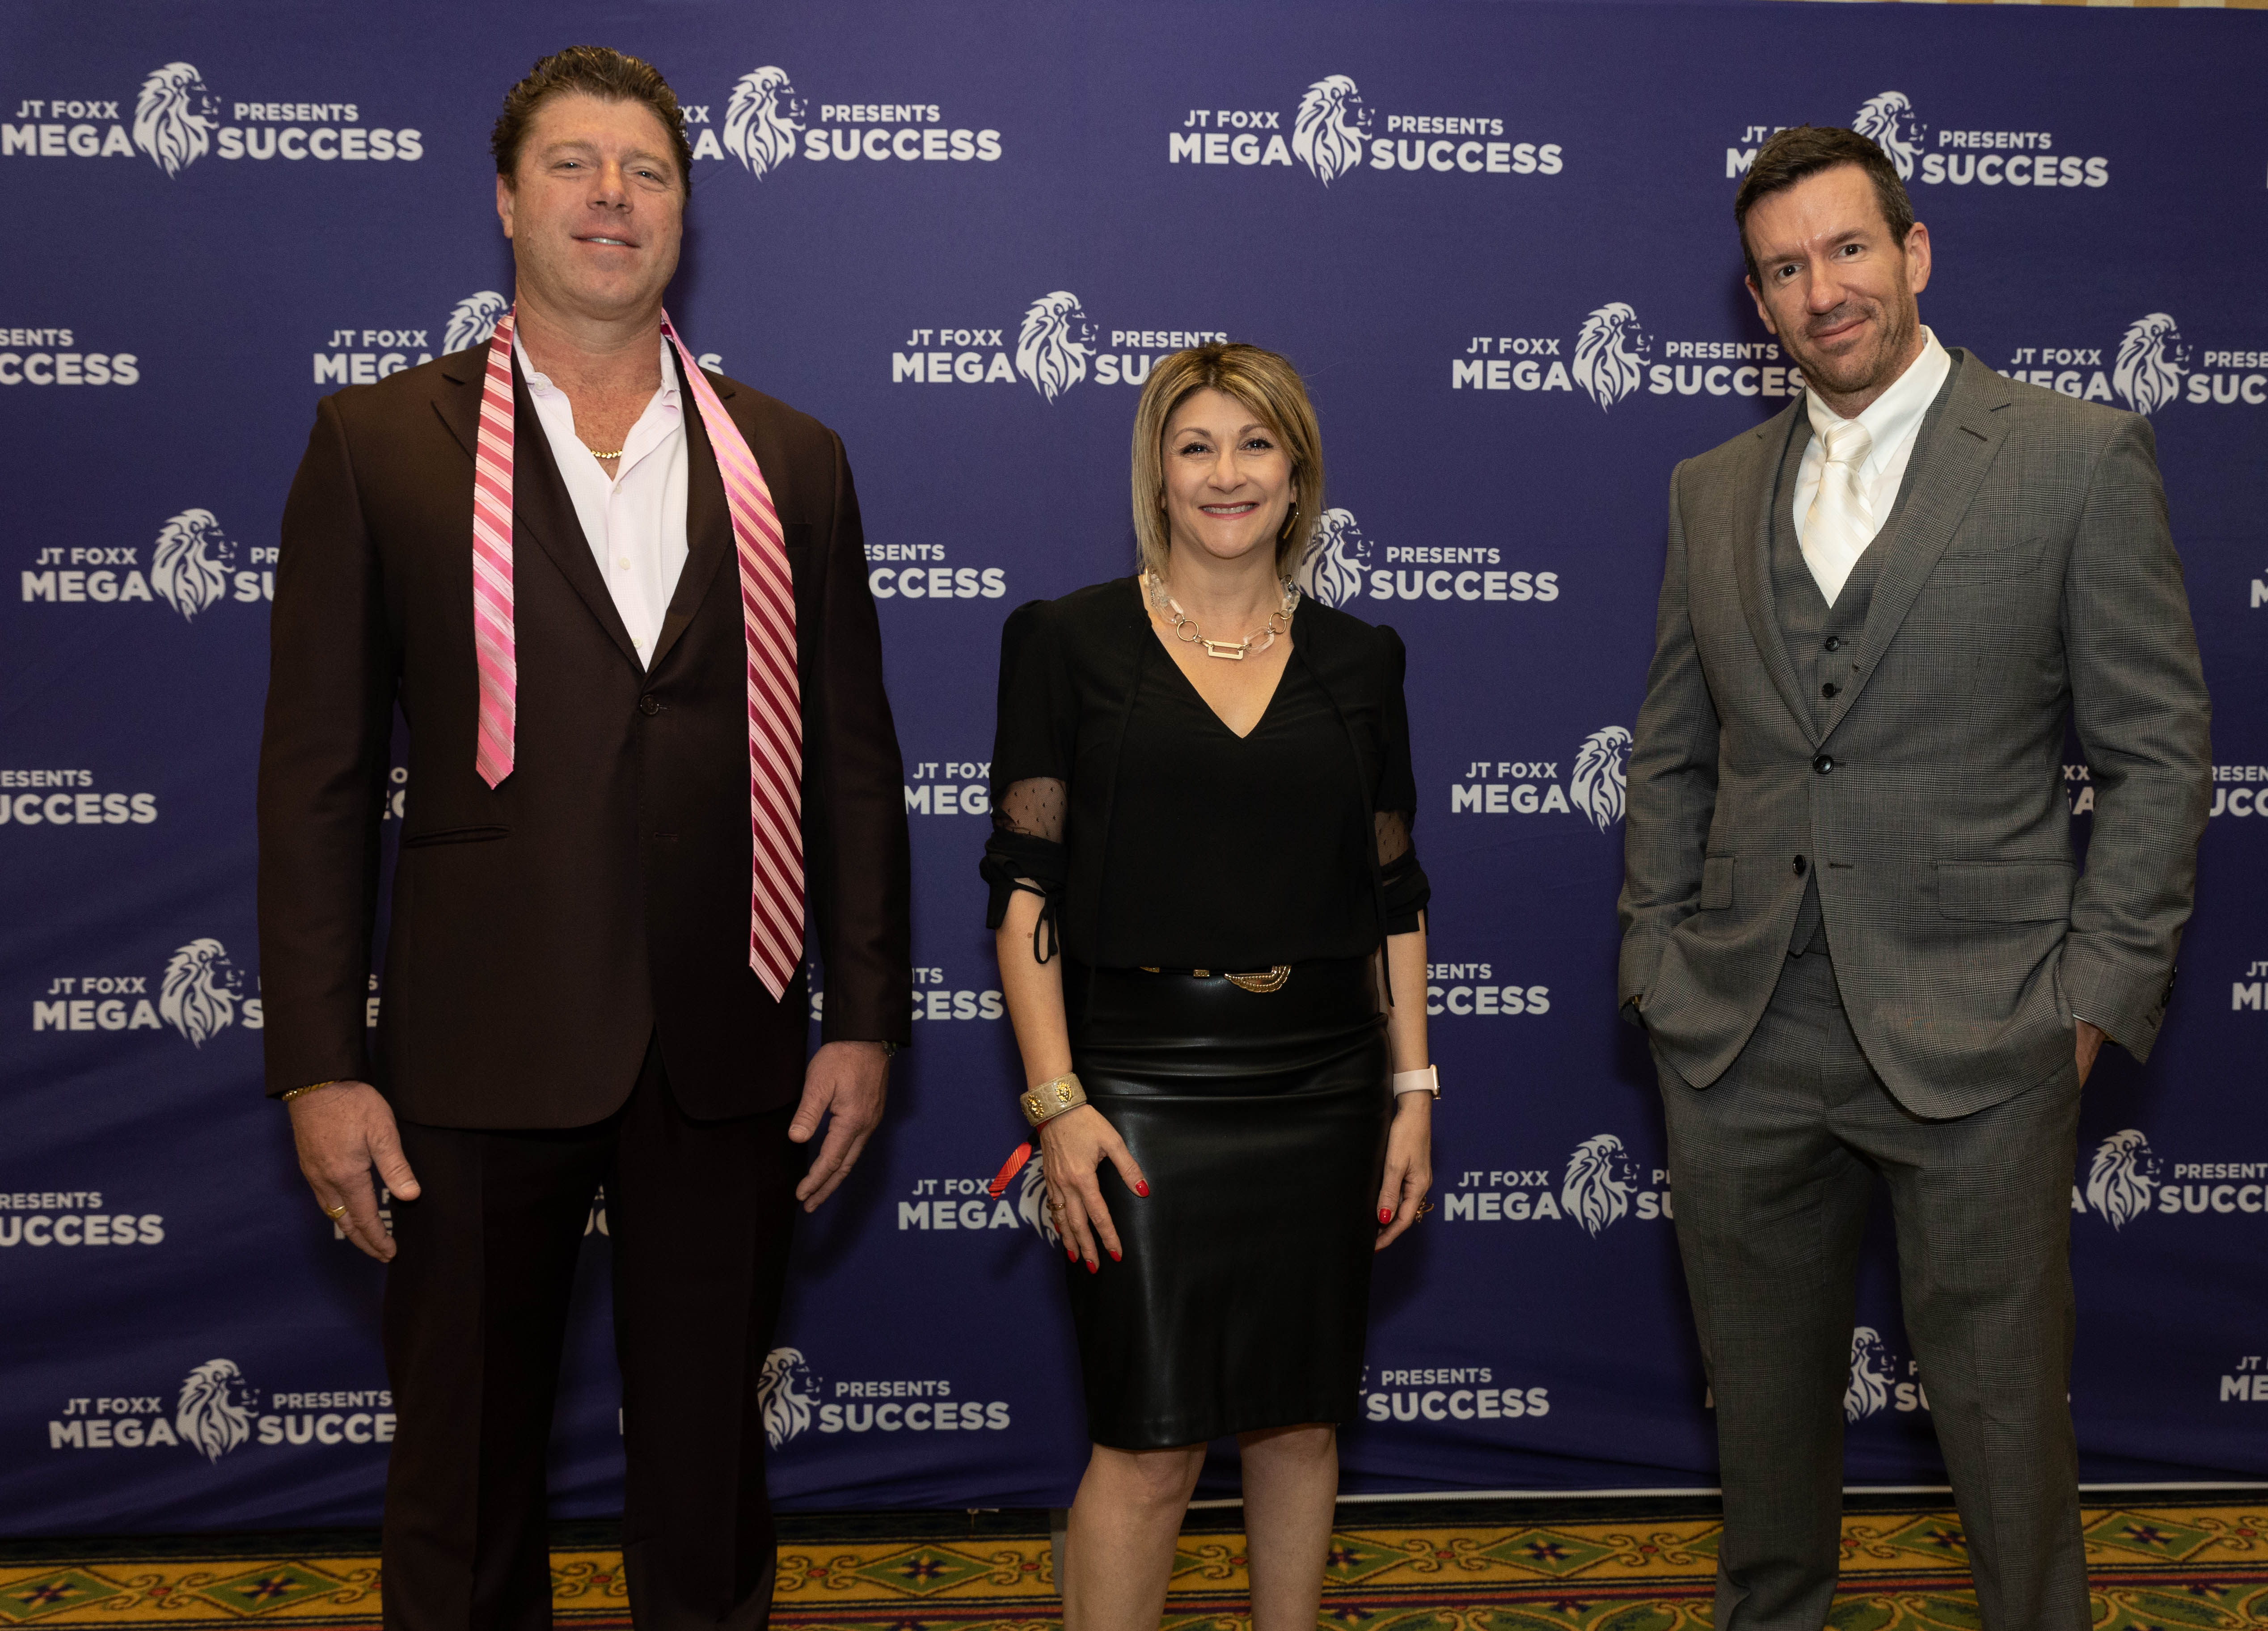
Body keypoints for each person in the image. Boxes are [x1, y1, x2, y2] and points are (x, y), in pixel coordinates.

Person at [257, 46, 911, 1631]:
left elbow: (850, 763)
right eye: (573, 164)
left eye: (647, 171)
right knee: (464, 1482)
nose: (612, 196)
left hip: (727, 1038)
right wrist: (319, 1064)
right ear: (505, 200)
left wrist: (867, 1015)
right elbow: (318, 780)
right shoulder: (377, 442)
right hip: (473, 1050)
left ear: (684, 211)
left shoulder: (792, 459)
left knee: (707, 1481)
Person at [1617, 124, 2210, 1631]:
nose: (1822, 292)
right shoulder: (1707, 489)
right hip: (1740, 1036)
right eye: (1784, 270)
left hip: (1986, 1031)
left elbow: (2155, 755)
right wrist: (1658, 964)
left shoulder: (2075, 456)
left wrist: (2089, 1000)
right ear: (1757, 301)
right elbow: (1672, 757)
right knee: (1761, 1453)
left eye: (1847, 249)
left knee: (2008, 1447)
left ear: (1916, 250)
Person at [981, 344, 1436, 1631]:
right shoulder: (1064, 642)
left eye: (1254, 444)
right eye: (1196, 447)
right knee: (1151, 1446)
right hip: (1137, 1088)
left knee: (1299, 1423)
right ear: (1159, 476)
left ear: (1297, 473)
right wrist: (1057, 1101)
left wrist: (1412, 1088)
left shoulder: (1363, 659)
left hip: (1327, 1084)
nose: (1226, 474)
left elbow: (1396, 894)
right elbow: (1024, 895)